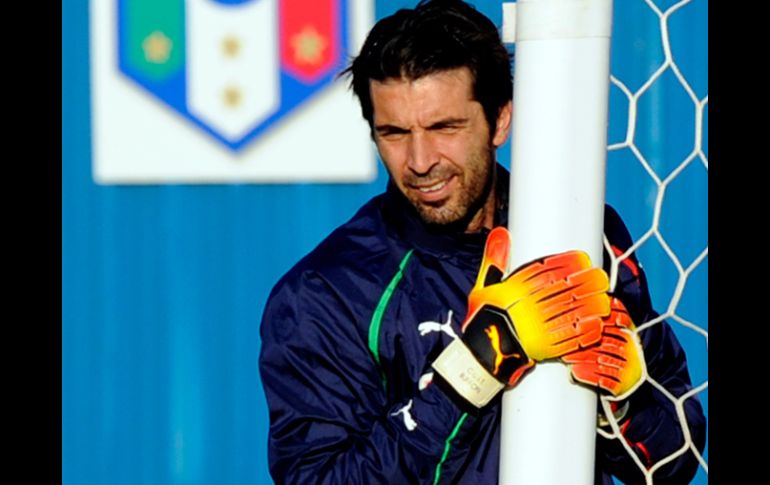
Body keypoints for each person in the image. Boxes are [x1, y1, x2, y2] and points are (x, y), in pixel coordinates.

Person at [258, 1, 706, 483]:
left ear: (500, 120)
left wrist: (625, 403)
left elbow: (674, 463)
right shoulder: (325, 294)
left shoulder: (585, 236)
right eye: (394, 133)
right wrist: (471, 369)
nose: (420, 160)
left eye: (444, 128)